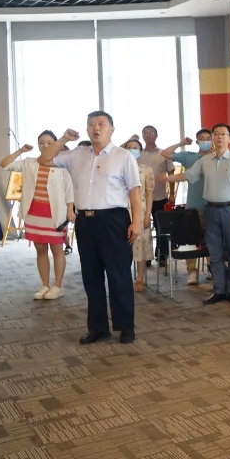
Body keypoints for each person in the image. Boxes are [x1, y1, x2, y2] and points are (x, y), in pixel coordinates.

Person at [41, 112, 142, 345]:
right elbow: (44, 160)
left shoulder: (123, 156)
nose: (96, 128)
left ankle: (125, 326)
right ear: (86, 129)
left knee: (119, 275)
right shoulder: (76, 155)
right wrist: (62, 139)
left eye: (101, 124)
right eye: (91, 124)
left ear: (111, 129)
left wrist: (136, 221)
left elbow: (134, 192)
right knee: (91, 276)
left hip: (114, 220)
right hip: (85, 222)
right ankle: (98, 328)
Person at [0, 131, 75, 300]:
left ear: (56, 144)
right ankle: (45, 285)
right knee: (40, 250)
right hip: (34, 213)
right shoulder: (29, 162)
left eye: (49, 142)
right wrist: (21, 151)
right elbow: (4, 164)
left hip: (55, 214)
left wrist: (70, 210)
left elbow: (69, 190)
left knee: (57, 250)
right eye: (41, 142)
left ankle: (58, 286)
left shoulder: (62, 164)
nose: (45, 145)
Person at [184, 124, 230, 306]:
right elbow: (189, 176)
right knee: (214, 252)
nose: (219, 137)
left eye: (223, 134)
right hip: (211, 210)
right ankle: (219, 290)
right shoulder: (205, 160)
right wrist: (167, 179)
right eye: (216, 134)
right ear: (213, 138)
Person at [162, 129, 212, 285]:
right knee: (191, 240)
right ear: (197, 141)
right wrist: (181, 143)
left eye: (208, 138)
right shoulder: (190, 157)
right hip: (194, 206)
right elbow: (165, 153)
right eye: (202, 139)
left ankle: (213, 268)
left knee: (212, 240)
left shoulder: (217, 157)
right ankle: (192, 272)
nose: (205, 141)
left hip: (213, 206)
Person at [121, 138, 155, 293]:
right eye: (129, 147)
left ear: (140, 151)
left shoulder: (146, 170)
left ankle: (140, 278)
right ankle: (124, 277)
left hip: (140, 211)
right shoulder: (119, 168)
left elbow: (149, 194)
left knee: (141, 244)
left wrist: (147, 215)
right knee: (123, 245)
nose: (132, 150)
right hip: (122, 210)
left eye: (135, 147)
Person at [138, 125, 173, 267]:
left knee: (161, 227)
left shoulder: (163, 154)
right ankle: (145, 256)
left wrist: (172, 194)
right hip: (141, 199)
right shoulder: (137, 154)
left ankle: (162, 255)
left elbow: (171, 173)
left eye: (151, 133)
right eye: (145, 133)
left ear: (156, 135)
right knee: (143, 228)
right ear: (142, 136)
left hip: (160, 196)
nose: (148, 135)